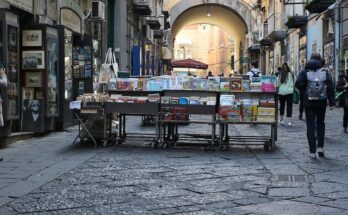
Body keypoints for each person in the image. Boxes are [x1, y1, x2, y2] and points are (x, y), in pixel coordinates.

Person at [295, 53, 335, 159]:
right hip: (321, 102)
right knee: (321, 123)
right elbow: (330, 87)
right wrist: (332, 103)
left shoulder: (304, 72)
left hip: (308, 103)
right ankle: (320, 147)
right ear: (320, 61)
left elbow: (298, 84)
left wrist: (305, 89)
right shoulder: (325, 72)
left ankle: (312, 152)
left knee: (310, 126)